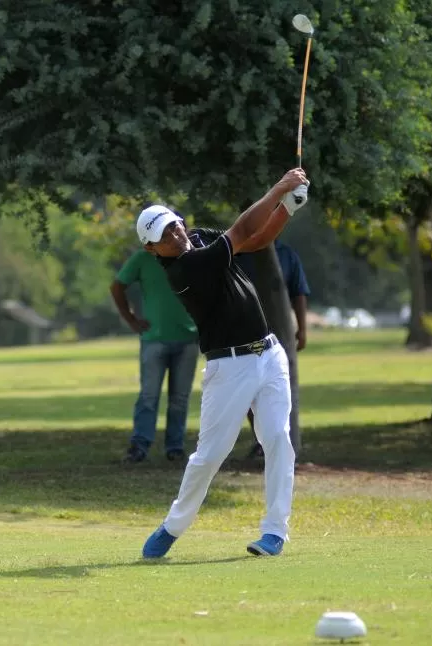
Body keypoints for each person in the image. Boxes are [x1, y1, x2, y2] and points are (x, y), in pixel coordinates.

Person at [137, 167, 310, 559]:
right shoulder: (183, 270)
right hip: (228, 368)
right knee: (210, 455)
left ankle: (274, 533)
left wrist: (288, 209)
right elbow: (242, 226)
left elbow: (258, 237)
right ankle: (174, 525)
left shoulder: (198, 238)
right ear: (152, 250)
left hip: (269, 353)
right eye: (164, 235)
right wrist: (281, 189)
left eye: (174, 225)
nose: (175, 234)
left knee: (278, 439)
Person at [110, 248, 198, 463]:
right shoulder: (143, 258)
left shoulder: (193, 258)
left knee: (180, 399)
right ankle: (140, 445)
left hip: (188, 339)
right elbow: (117, 286)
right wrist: (130, 319)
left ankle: (175, 448)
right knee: (149, 396)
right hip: (154, 339)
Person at [238, 240, 311, 460]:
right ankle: (261, 440)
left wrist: (302, 329)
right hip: (247, 333)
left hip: (280, 334)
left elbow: (299, 293)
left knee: (279, 389)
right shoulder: (240, 252)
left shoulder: (287, 254)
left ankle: (281, 441)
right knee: (250, 390)